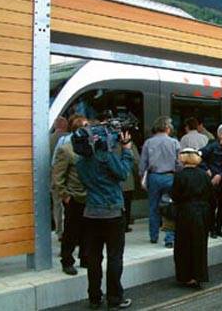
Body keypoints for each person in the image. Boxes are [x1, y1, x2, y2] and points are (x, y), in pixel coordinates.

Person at [75, 128, 134, 309]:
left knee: (94, 259)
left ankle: (94, 298)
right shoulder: (106, 157)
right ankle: (115, 299)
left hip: (91, 213)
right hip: (112, 213)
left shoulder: (80, 163)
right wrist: (126, 150)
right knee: (115, 257)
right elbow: (123, 173)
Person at [171, 148, 213, 289]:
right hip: (202, 211)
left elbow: (175, 196)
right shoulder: (204, 175)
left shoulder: (180, 176)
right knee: (199, 244)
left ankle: (186, 275)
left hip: (186, 212)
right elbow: (212, 196)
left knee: (184, 245)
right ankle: (199, 275)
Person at [52, 115, 88, 276]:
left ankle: (85, 257)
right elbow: (58, 175)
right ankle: (67, 261)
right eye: (86, 127)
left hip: (89, 196)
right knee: (71, 231)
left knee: (88, 229)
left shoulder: (89, 146)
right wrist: (64, 195)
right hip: (73, 196)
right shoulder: (65, 149)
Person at [139, 116, 180, 247]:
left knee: (153, 207)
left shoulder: (148, 143)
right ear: (167, 128)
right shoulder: (174, 142)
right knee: (170, 206)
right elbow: (179, 163)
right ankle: (169, 238)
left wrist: (142, 177)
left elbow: (142, 163)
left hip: (154, 177)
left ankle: (153, 235)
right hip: (170, 177)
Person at [199, 123, 222, 238]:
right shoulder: (211, 147)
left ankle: (219, 228)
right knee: (212, 206)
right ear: (220, 135)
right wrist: (207, 170)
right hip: (213, 181)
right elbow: (200, 156)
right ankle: (212, 229)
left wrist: (220, 175)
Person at [50, 115, 69, 241]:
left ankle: (59, 231)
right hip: (66, 178)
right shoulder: (67, 138)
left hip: (52, 177)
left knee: (57, 205)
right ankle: (66, 231)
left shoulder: (47, 138)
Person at [119, 143, 140, 233]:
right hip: (127, 179)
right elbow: (136, 161)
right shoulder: (130, 145)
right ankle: (125, 225)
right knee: (127, 204)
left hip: (113, 181)